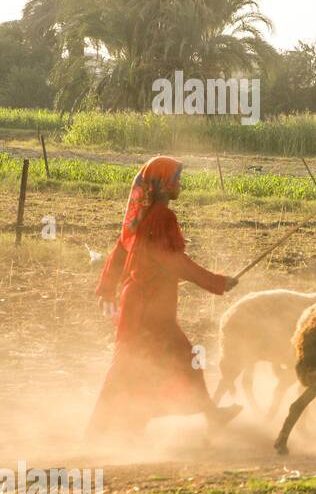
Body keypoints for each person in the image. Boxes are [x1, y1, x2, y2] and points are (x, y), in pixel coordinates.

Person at [86, 156, 241, 436]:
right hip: (147, 308)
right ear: (163, 184)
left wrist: (107, 289)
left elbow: (120, 250)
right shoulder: (162, 217)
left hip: (146, 306)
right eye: (176, 179)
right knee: (137, 365)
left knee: (149, 364)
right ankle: (100, 430)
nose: (180, 184)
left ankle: (126, 425)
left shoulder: (145, 216)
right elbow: (173, 262)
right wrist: (217, 282)